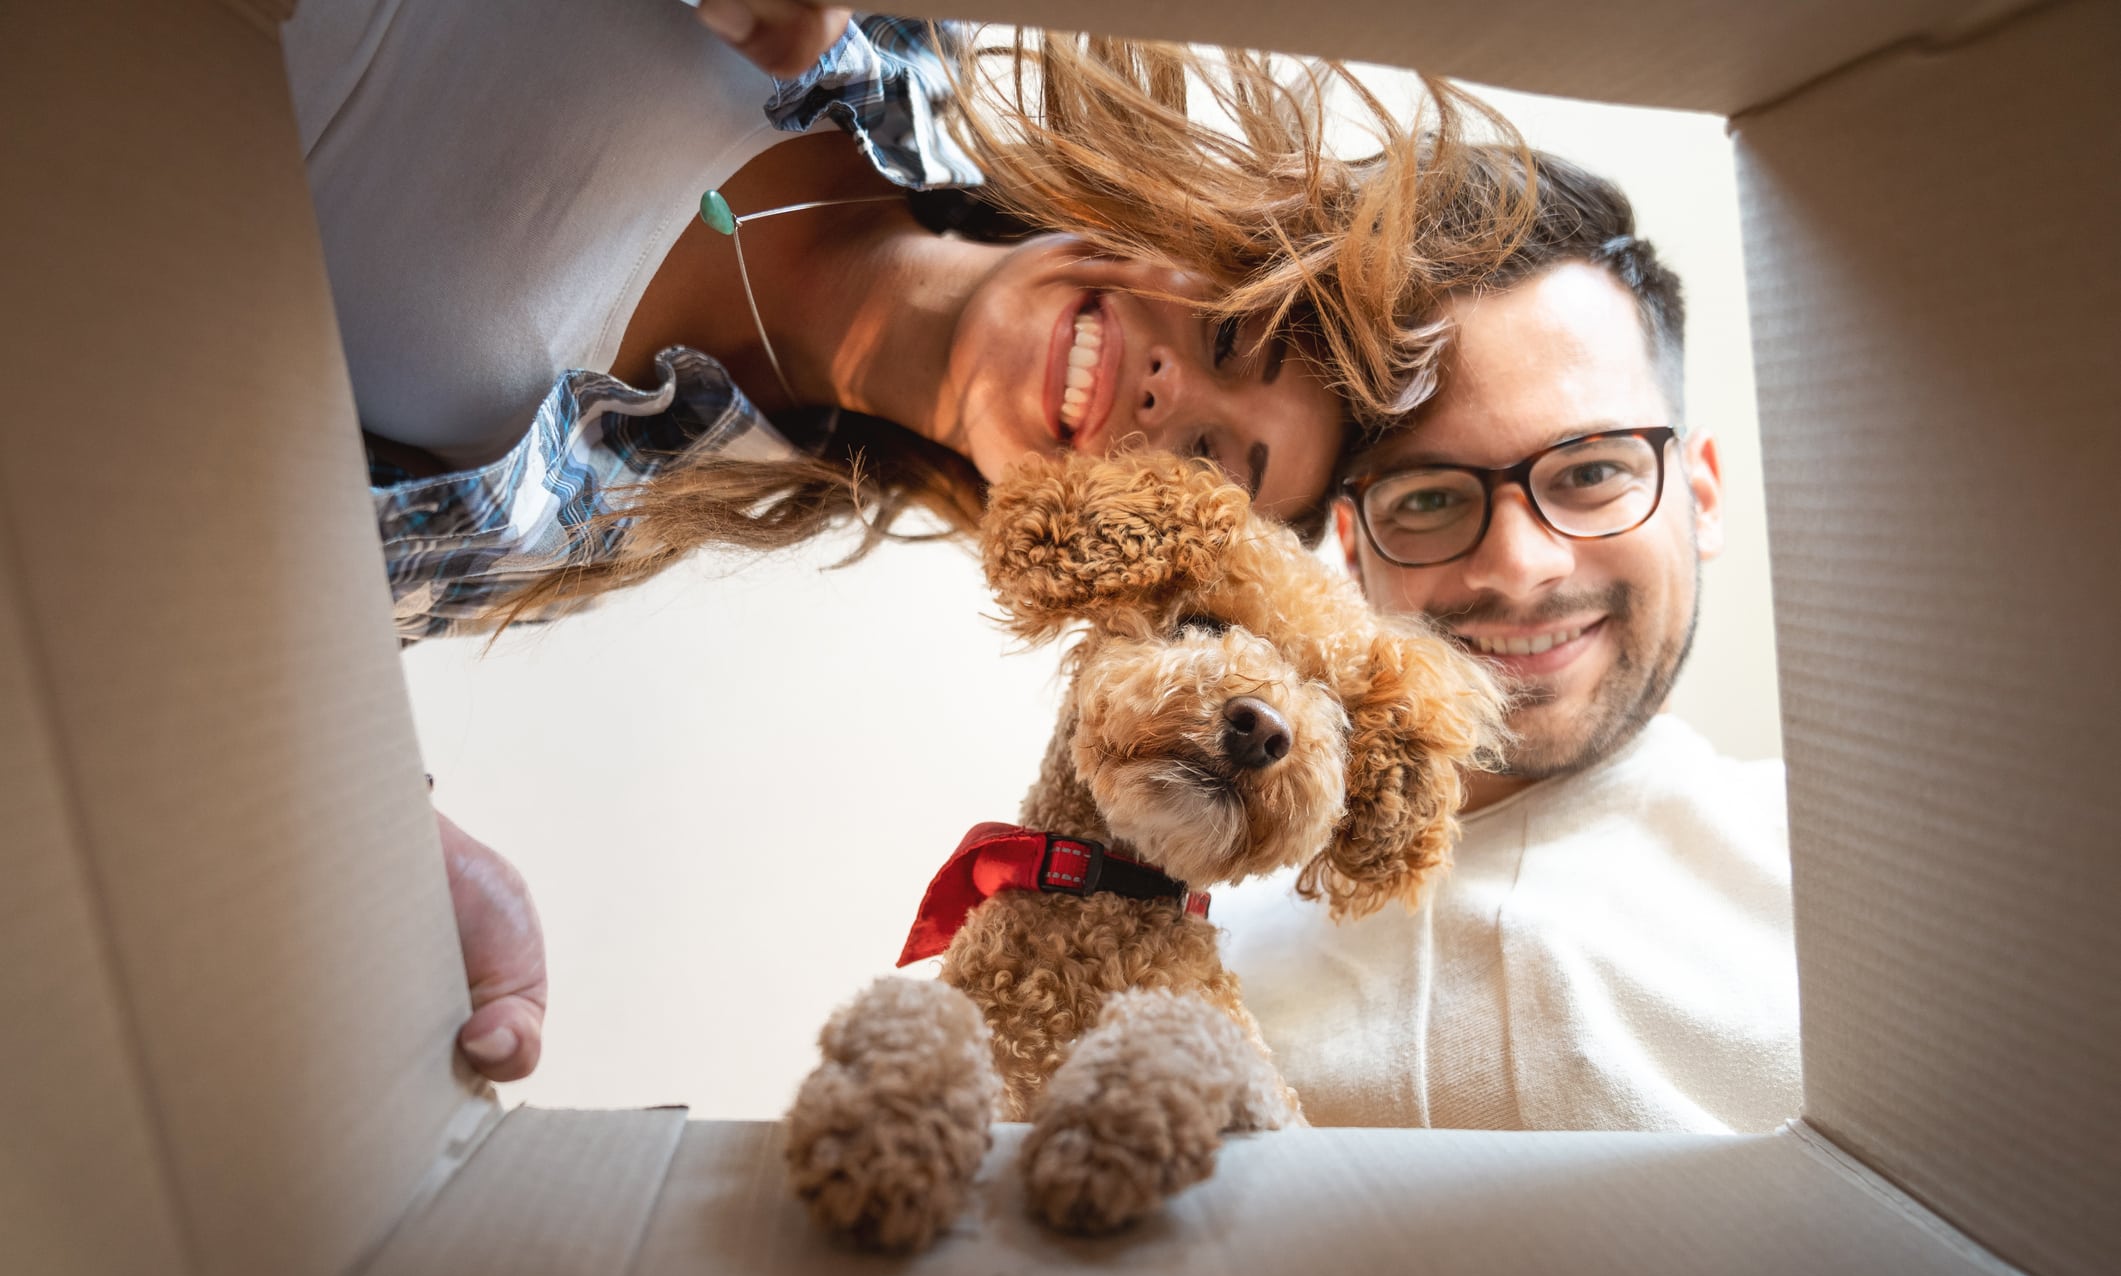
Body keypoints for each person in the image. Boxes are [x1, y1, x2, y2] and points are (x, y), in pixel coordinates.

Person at [280, 2, 1531, 1079]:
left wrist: (398, 836)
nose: (1167, 401)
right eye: (1225, 343)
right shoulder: (875, 37)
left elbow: (217, 574)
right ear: (1175, 235)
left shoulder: (598, 514)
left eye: (1210, 464)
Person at [1221, 148, 1801, 1134]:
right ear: (1354, 549)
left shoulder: (1878, 894)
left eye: (1590, 473)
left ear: (1699, 497)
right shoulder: (1210, 991)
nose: (1522, 565)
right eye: (1434, 497)